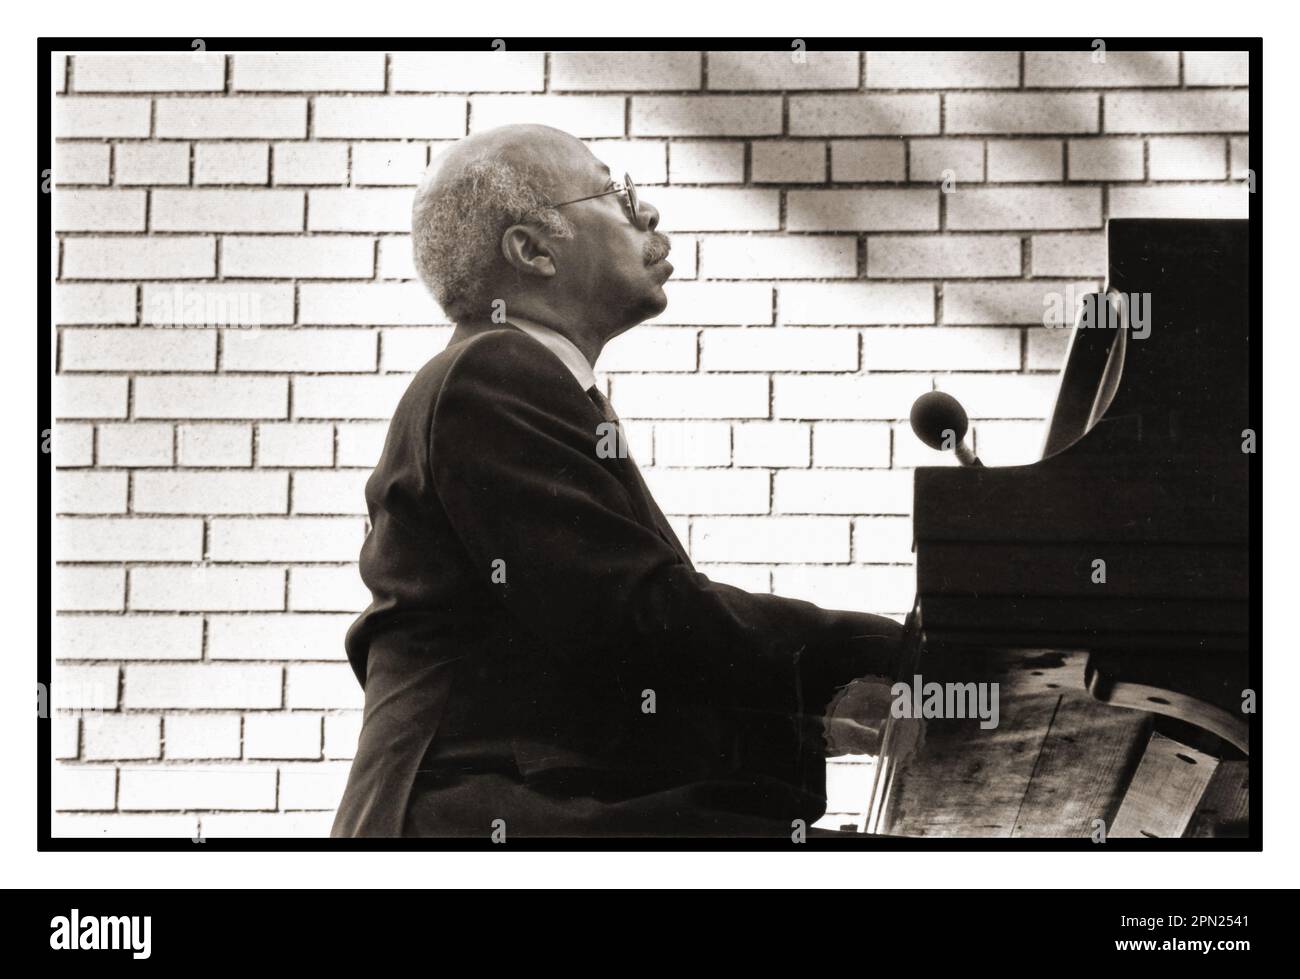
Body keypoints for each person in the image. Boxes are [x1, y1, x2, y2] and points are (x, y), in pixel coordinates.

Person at [331, 123, 903, 838]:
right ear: (532, 250)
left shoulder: (517, 378)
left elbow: (603, 665)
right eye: (613, 192)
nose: (648, 212)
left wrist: (821, 718)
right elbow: (636, 611)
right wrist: (891, 650)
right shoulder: (492, 371)